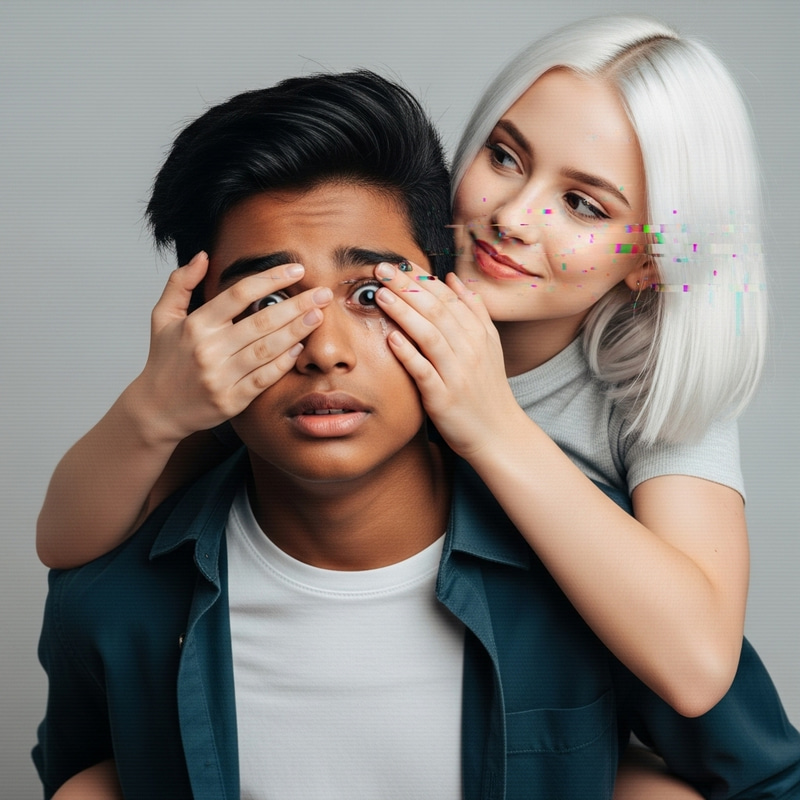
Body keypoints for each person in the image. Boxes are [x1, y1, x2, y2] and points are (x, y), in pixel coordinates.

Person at [32, 69, 800, 799]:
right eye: (269, 303)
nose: (325, 349)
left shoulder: (613, 532)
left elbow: (732, 724)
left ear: (448, 300)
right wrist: (154, 407)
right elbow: (71, 553)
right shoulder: (122, 591)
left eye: (370, 292)